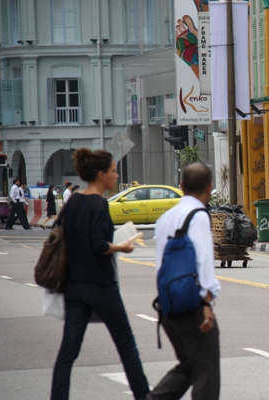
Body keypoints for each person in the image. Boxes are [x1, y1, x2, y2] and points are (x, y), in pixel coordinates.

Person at [51, 148, 150, 400]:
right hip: (101, 286)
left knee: (68, 351)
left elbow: (58, 234)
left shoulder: (73, 203)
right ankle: (143, 396)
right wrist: (122, 247)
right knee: (126, 344)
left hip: (74, 286)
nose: (116, 176)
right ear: (101, 174)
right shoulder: (99, 205)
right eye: (114, 171)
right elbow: (98, 245)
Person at [148, 162, 221, 400]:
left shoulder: (165, 218)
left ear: (181, 186)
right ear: (209, 187)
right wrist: (207, 303)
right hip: (192, 306)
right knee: (207, 371)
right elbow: (203, 261)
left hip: (168, 305)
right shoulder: (198, 216)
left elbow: (161, 264)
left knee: (190, 365)